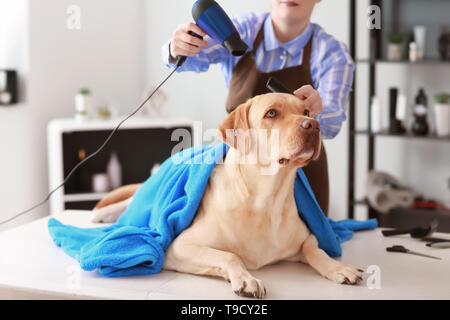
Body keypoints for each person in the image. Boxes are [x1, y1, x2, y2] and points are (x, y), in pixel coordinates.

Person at [161, 0, 355, 216]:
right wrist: (177, 47)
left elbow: (334, 117)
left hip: (299, 175)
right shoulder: (242, 31)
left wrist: (318, 110)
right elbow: (191, 59)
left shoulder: (332, 53)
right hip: (240, 171)